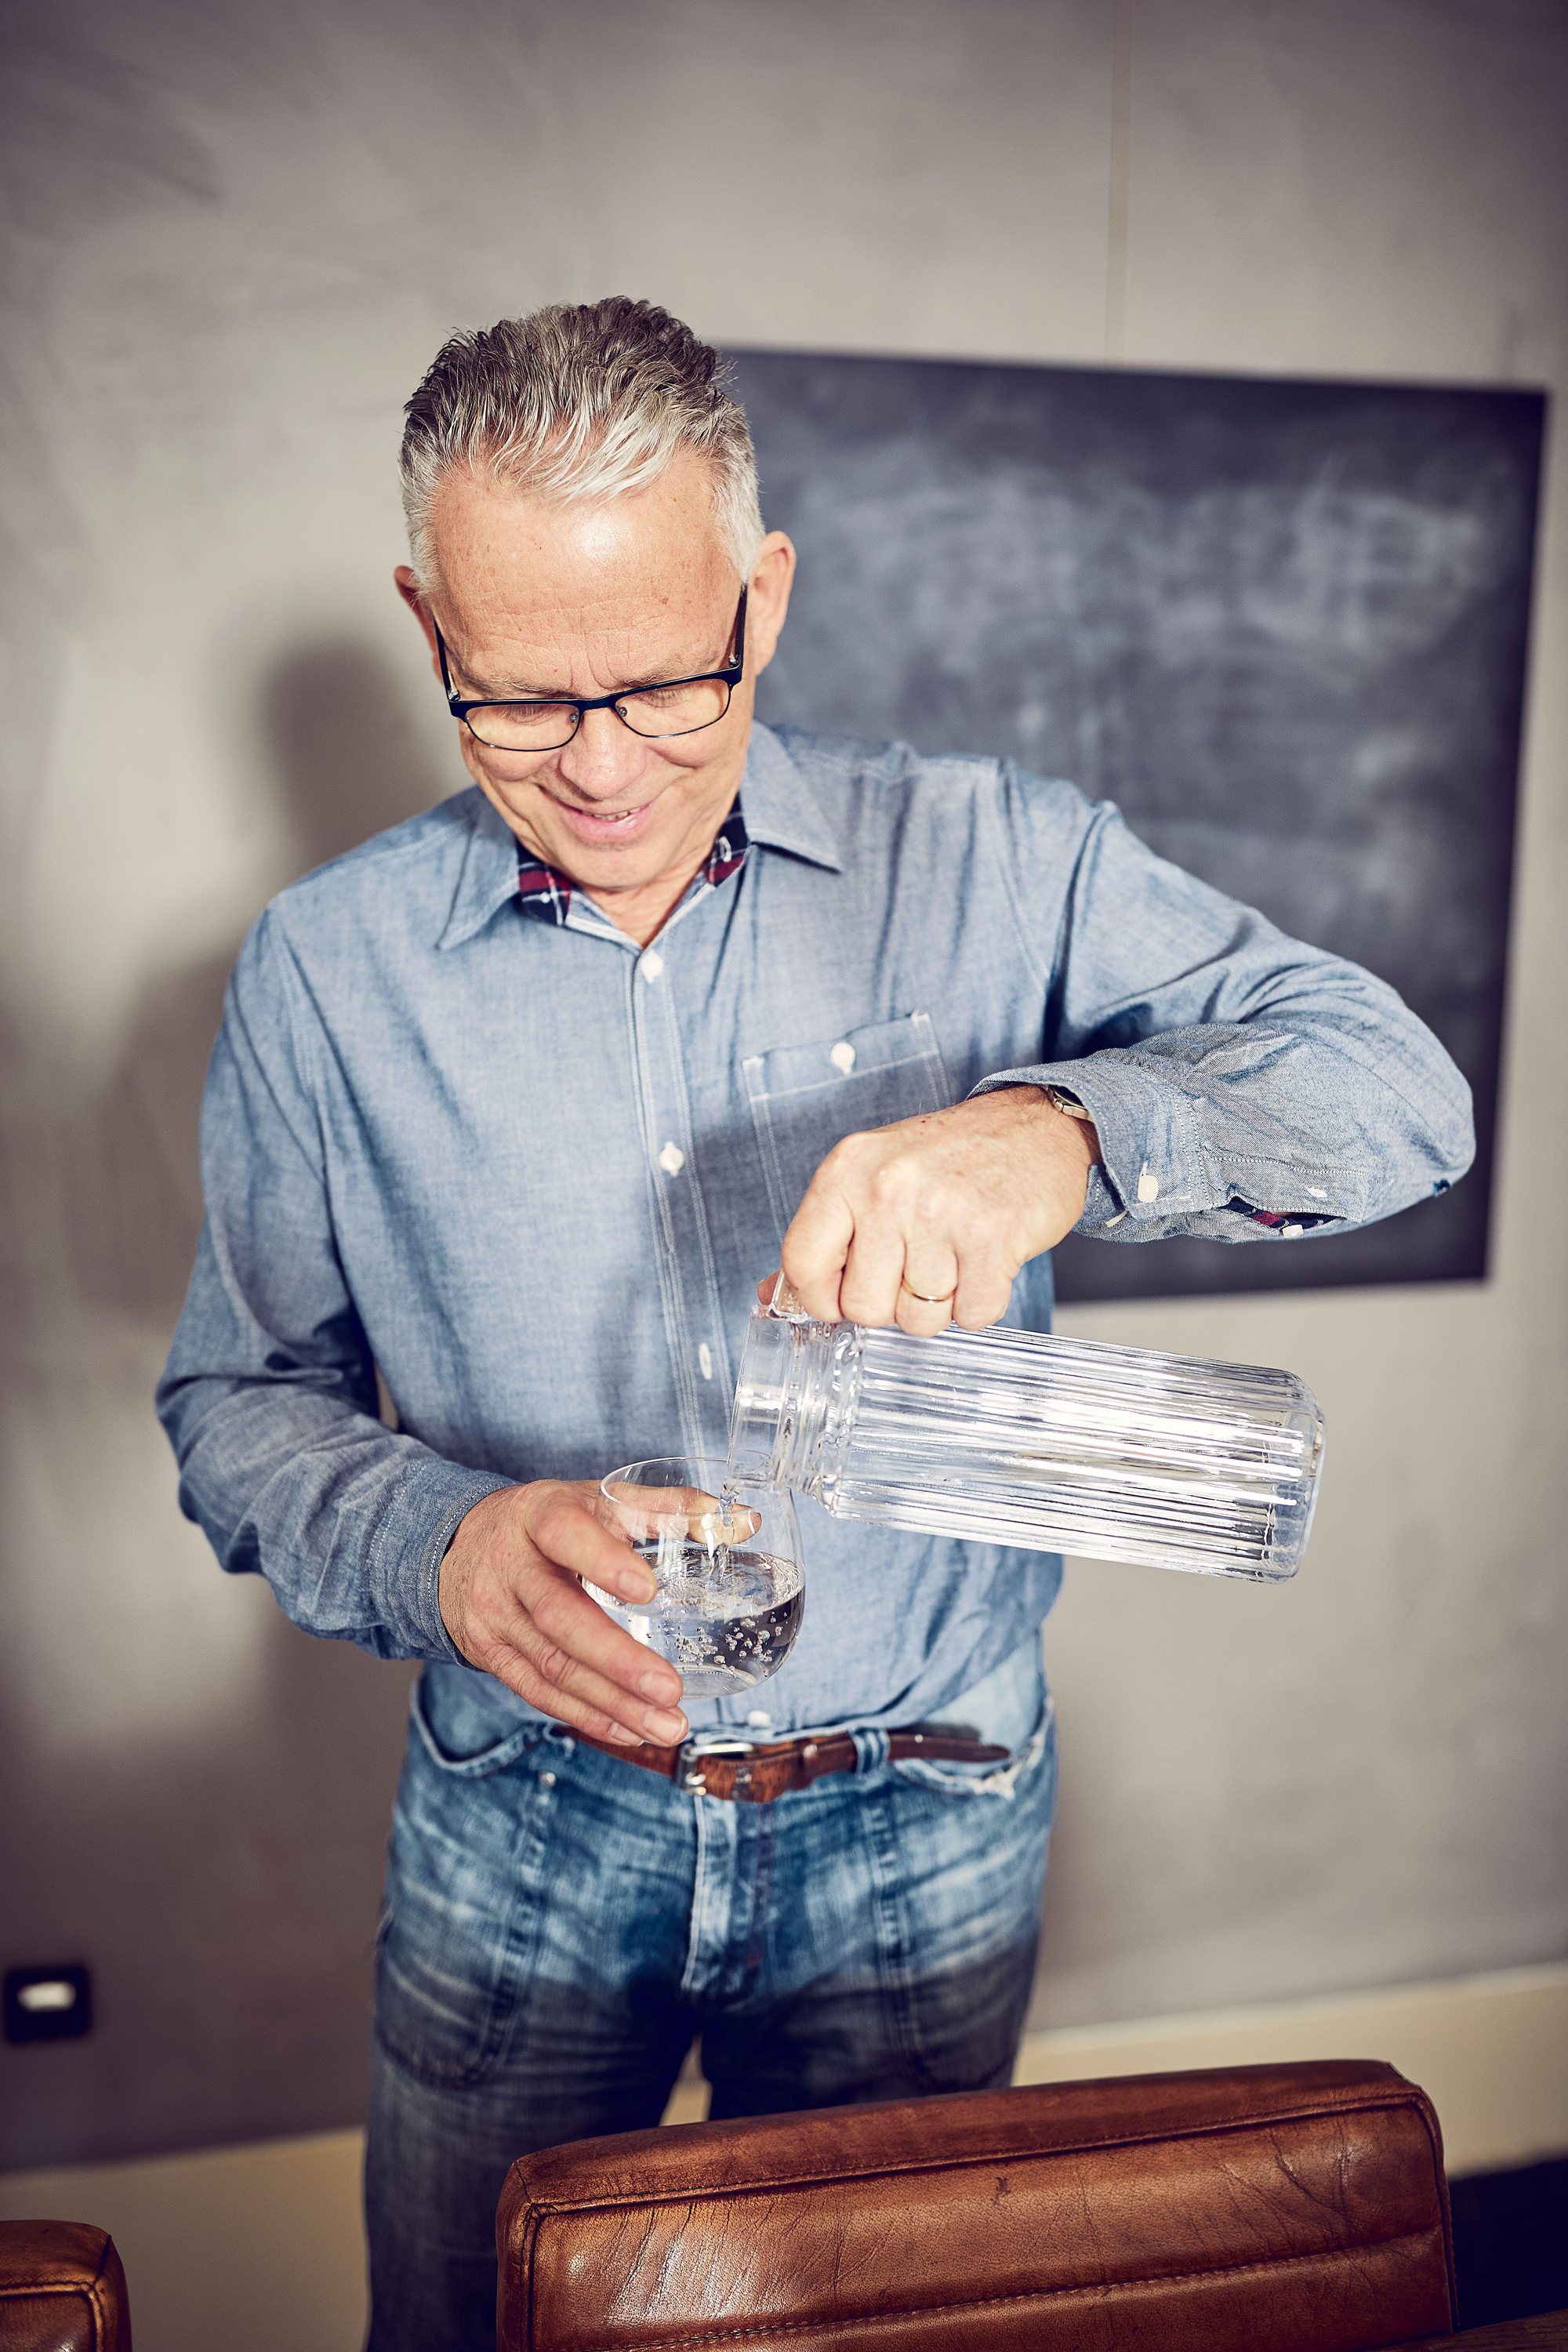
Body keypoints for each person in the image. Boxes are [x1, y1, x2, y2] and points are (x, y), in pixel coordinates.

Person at [157, 297, 1473, 2350]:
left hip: (924, 1806)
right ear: (430, 629)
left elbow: (1400, 1093)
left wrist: (1067, 1129)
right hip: (526, 1819)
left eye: (666, 686)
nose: (597, 769)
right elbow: (236, 1396)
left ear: (763, 600)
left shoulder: (1004, 858)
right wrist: (439, 1542)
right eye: (515, 702)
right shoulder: (325, 973)